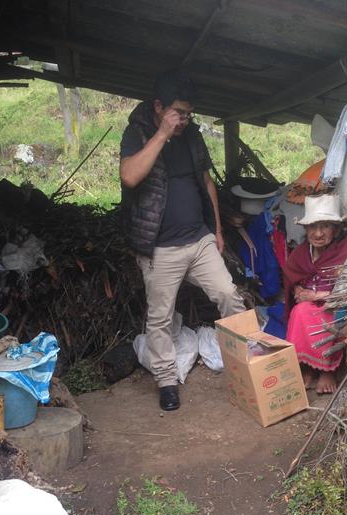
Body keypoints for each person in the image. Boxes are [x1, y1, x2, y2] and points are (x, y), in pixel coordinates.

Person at [120, 70, 244, 411]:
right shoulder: (137, 133)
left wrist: (217, 230)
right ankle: (166, 381)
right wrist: (162, 134)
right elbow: (130, 176)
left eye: (189, 114)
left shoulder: (192, 136)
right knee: (160, 318)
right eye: (179, 113)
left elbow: (206, 182)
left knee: (228, 294)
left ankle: (244, 363)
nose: (185, 120)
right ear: (159, 107)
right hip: (159, 248)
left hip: (199, 239)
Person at [284, 194, 347, 394]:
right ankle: (307, 366)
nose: (318, 233)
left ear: (336, 229)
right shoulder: (301, 252)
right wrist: (297, 289)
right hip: (308, 306)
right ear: (305, 229)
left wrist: (316, 296)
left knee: (328, 316)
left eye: (325, 226)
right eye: (313, 227)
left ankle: (326, 370)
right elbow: (291, 278)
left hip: (336, 307)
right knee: (300, 312)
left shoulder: (346, 252)